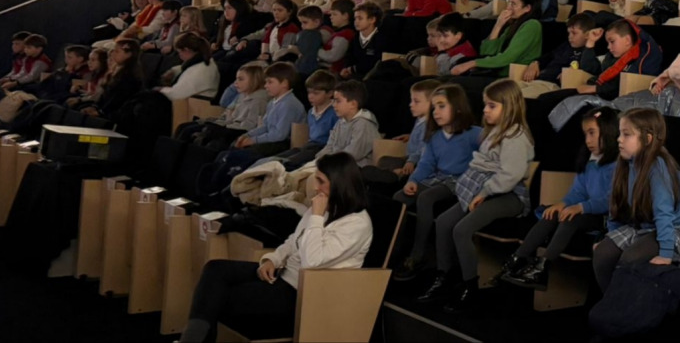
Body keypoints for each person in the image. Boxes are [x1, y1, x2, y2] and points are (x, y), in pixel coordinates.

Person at [180, 152, 373, 343]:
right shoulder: (325, 207)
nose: (315, 187)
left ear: (339, 183)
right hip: (285, 276)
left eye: (321, 181)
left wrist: (316, 217)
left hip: (307, 295)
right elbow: (293, 240)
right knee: (215, 269)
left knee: (218, 298)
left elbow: (312, 261)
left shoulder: (356, 224)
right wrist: (273, 259)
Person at [419, 79, 535, 311]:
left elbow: (510, 176)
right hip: (484, 188)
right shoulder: (493, 132)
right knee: (443, 223)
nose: (485, 110)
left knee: (462, 230)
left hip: (508, 195)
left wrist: (483, 192)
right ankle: (444, 278)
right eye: (485, 105)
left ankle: (469, 286)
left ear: (509, 106)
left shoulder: (515, 136)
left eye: (492, 105)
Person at [500, 107, 619, 289]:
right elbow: (578, 192)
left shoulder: (619, 164)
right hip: (587, 209)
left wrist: (581, 207)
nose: (587, 140)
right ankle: (517, 259)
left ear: (608, 131)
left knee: (571, 217)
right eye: (585, 134)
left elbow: (610, 200)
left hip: (607, 217)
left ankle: (542, 267)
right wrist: (563, 203)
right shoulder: (590, 159)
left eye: (592, 133)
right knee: (551, 213)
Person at [592, 108, 680, 292]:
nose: (619, 139)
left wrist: (666, 253)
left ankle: (627, 312)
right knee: (603, 254)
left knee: (630, 259)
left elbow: (664, 212)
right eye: (620, 134)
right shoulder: (624, 162)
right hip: (645, 225)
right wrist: (610, 237)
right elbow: (616, 205)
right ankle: (612, 306)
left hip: (673, 228)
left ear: (648, 139)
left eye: (626, 135)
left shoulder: (658, 166)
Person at [393, 83, 482, 281]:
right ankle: (393, 251)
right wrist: (413, 180)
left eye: (442, 106)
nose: (436, 112)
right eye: (434, 107)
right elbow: (426, 163)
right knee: (399, 196)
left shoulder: (475, 133)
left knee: (426, 198)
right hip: (439, 178)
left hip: (460, 182)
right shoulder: (434, 136)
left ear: (458, 107)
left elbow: (487, 161)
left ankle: (417, 256)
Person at [448, 0, 544, 76]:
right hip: (495, 72)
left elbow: (506, 58)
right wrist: (498, 25)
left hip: (510, 77)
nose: (508, 7)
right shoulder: (514, 24)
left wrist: (472, 63)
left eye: (513, 4)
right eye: (508, 2)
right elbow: (487, 53)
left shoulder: (532, 25)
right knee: (458, 63)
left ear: (527, 8)